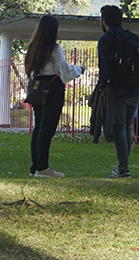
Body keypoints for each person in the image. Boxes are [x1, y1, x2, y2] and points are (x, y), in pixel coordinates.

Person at [25, 15, 85, 178]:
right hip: (53, 89)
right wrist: (79, 70)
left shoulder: (33, 48)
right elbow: (63, 71)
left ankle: (35, 166)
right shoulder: (54, 48)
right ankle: (42, 167)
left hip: (37, 88)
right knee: (47, 128)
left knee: (39, 128)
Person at [97, 4, 139, 178]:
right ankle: (122, 166)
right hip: (134, 89)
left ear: (104, 21)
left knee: (119, 128)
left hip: (117, 90)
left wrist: (101, 88)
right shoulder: (132, 37)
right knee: (127, 127)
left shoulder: (105, 40)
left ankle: (123, 169)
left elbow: (104, 68)